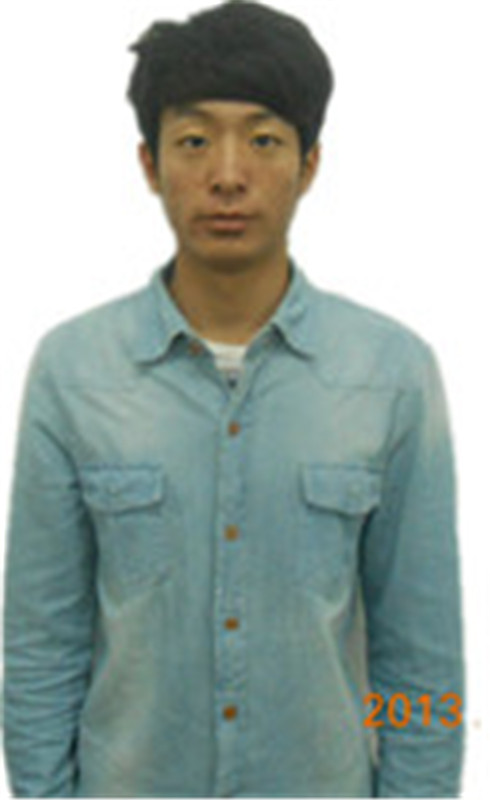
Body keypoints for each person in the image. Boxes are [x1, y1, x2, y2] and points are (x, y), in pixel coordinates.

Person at [2, 0, 465, 796]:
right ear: (149, 164)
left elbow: (419, 658)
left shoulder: (390, 373)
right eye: (193, 140)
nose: (226, 175)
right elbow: (43, 645)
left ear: (309, 164)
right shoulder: (75, 372)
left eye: (263, 140)